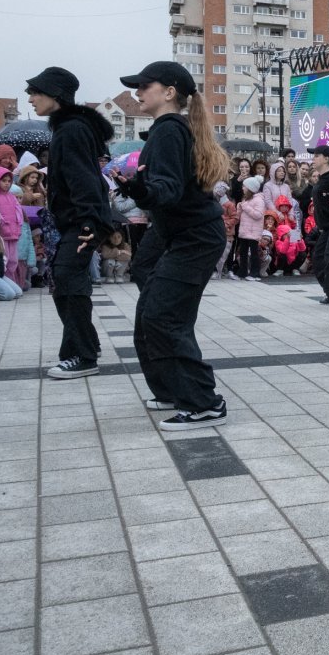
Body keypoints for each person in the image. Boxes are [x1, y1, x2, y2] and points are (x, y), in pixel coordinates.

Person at [115, 61, 232, 430]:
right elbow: (171, 187)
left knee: (163, 317)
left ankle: (204, 403)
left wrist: (140, 189)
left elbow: (166, 188)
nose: (137, 93)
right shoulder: (170, 129)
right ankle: (169, 388)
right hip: (181, 234)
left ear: (168, 92)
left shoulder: (168, 130)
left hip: (194, 238)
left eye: (144, 86)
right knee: (152, 312)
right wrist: (142, 189)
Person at [30, 66, 113, 380]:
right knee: (65, 278)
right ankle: (84, 347)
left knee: (67, 277)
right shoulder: (67, 127)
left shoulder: (72, 129)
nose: (31, 98)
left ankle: (82, 355)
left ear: (56, 95)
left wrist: (89, 224)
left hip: (84, 220)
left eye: (37, 92)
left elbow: (85, 179)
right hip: (78, 219)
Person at [308, 145, 329, 300]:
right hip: (325, 228)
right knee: (318, 260)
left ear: (327, 159)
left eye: (316, 156)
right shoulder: (322, 178)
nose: (313, 159)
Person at [235, 176, 266, 281]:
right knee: (242, 252)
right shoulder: (246, 199)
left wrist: (245, 207)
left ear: (250, 188)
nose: (243, 188)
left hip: (253, 232)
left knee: (254, 253)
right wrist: (239, 208)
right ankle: (242, 272)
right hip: (244, 230)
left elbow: (258, 214)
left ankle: (255, 273)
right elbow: (241, 215)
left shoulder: (259, 200)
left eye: (244, 186)